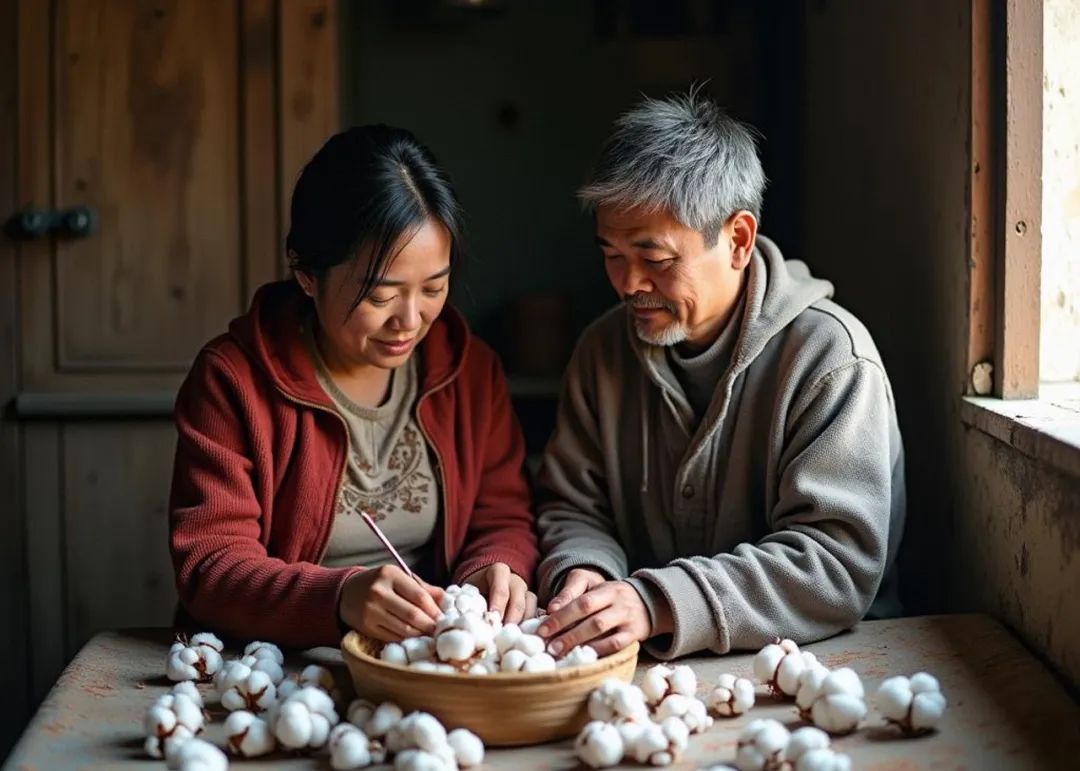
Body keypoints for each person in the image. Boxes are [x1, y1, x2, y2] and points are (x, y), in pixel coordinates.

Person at [535, 91, 905, 660]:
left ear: (737, 240)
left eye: (655, 259)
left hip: (825, 668)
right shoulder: (601, 351)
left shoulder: (831, 360)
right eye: (610, 253)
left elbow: (833, 564)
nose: (628, 283)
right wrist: (584, 570)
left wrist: (656, 602)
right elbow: (573, 507)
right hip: (649, 672)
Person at [169, 125, 538, 649]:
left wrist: (494, 569)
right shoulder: (233, 382)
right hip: (276, 665)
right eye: (380, 296)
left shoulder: (469, 372)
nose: (410, 320)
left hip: (426, 659)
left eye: (434, 287)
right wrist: (339, 598)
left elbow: (501, 514)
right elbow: (211, 564)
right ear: (307, 275)